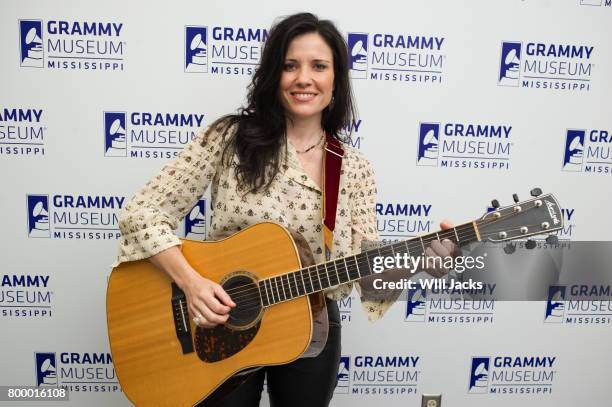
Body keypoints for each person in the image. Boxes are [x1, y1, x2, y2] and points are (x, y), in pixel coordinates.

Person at [116, 12, 457, 407]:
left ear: (336, 80)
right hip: (220, 321)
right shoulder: (228, 139)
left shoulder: (354, 167)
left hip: (311, 331)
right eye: (290, 65)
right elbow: (141, 213)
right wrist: (192, 286)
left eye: (319, 66)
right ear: (273, 75)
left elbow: (365, 271)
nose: (303, 78)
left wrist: (421, 262)